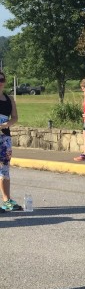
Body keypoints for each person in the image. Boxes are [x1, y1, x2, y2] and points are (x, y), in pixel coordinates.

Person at [0, 71, 23, 211]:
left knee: (5, 168)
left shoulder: (9, 99)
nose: (0, 82)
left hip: (4, 137)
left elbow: (14, 117)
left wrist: (6, 124)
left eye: (2, 79)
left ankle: (6, 200)